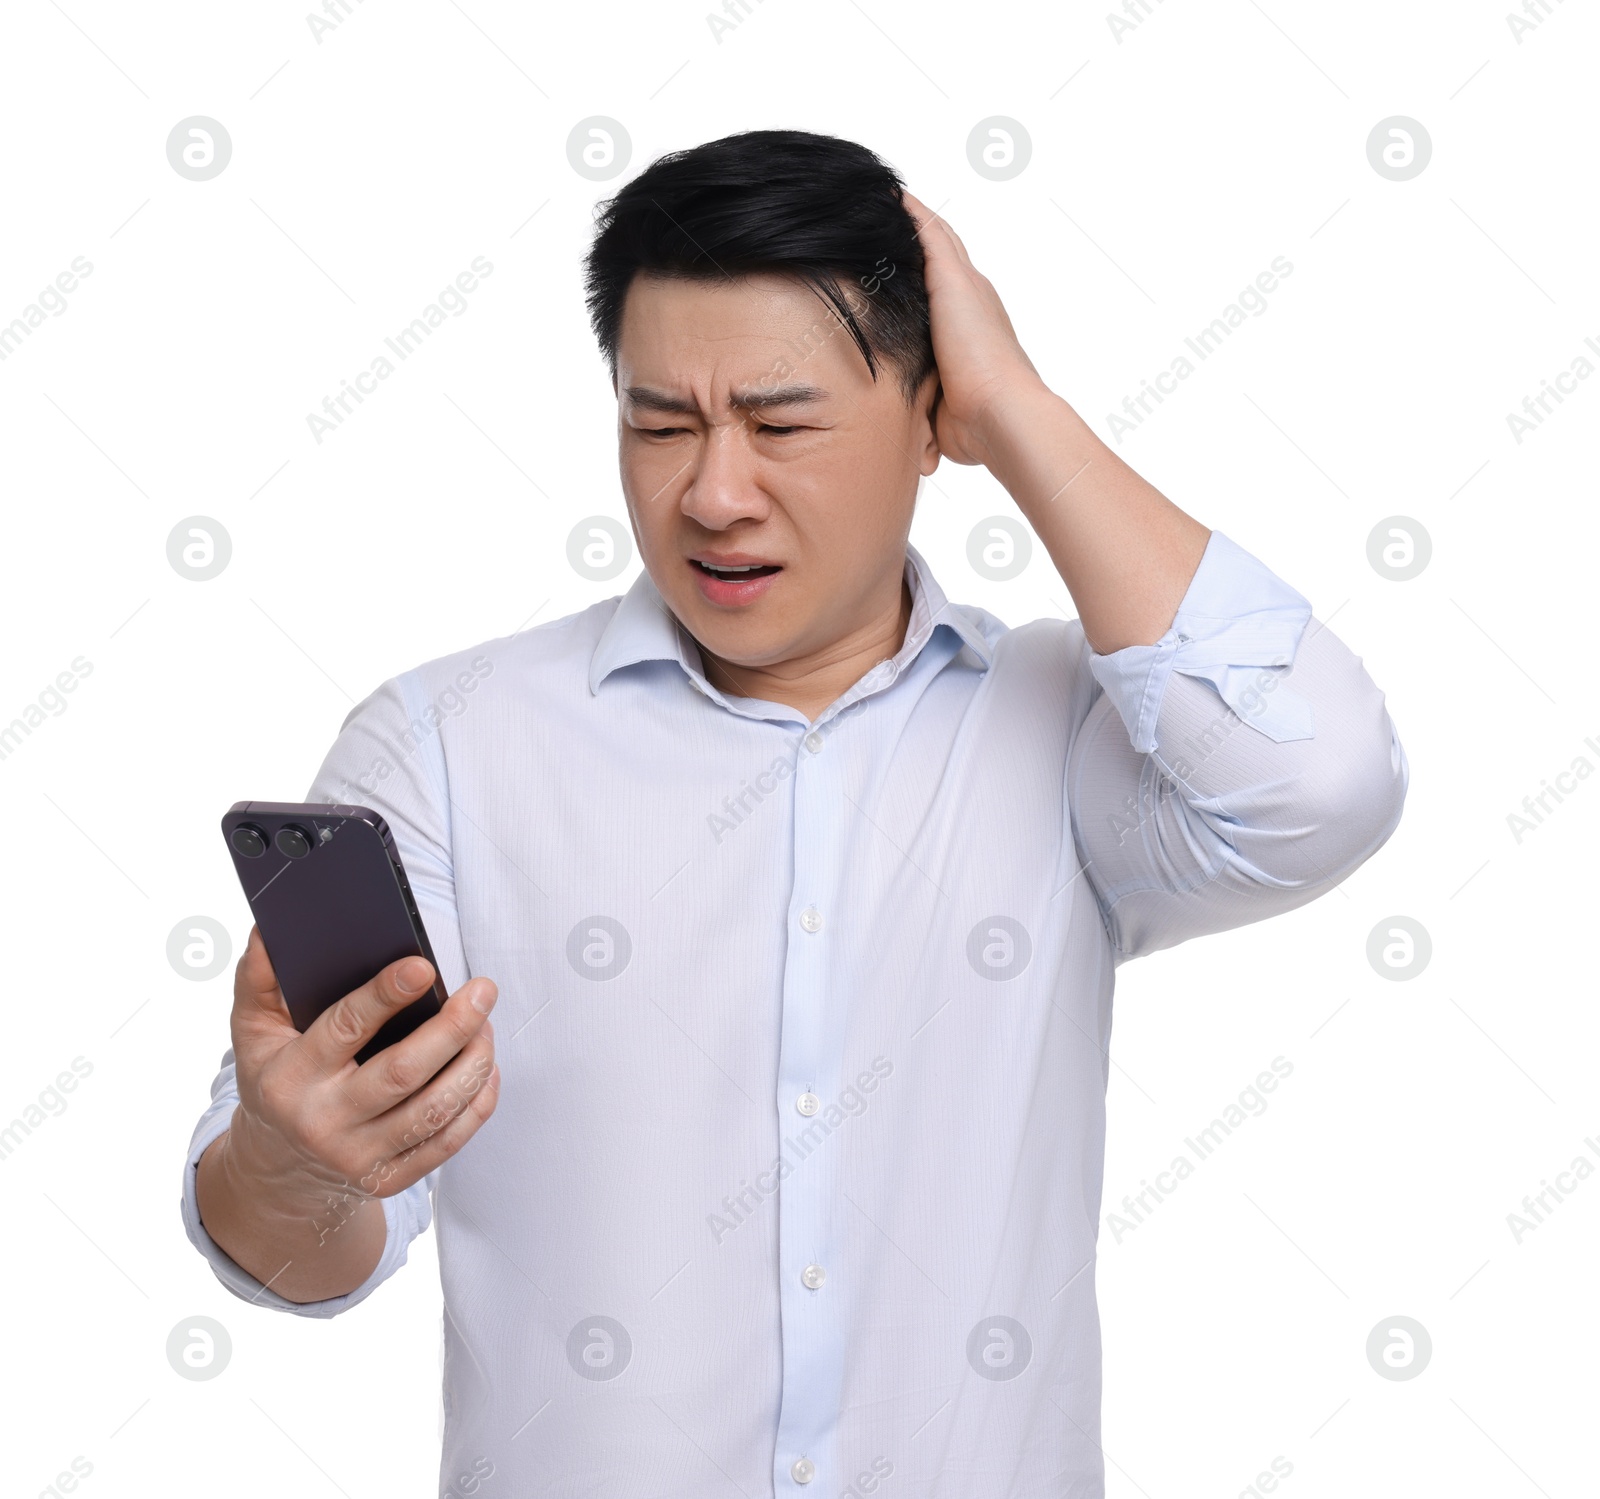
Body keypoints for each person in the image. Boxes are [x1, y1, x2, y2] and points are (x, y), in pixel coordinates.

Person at [182, 128, 1408, 1497]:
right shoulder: (446, 750)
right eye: (660, 423)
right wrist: (295, 1166)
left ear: (930, 417)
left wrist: (1019, 410)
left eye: (782, 425)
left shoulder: (1070, 732)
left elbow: (1322, 784)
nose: (711, 493)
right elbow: (301, 1259)